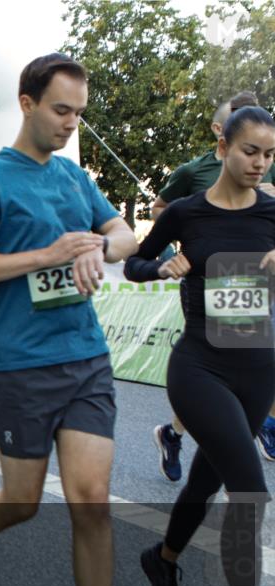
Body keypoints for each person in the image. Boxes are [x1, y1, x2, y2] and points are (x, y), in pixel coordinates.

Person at [0, 53, 138, 586]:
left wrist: (99, 245)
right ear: (26, 104)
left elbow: (129, 238)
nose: (70, 124)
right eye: (60, 110)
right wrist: (46, 255)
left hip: (84, 355)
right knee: (22, 501)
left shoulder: (75, 178)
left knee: (91, 499)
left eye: (78, 114)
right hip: (18, 362)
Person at [125, 105, 275, 586]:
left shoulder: (274, 213)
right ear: (224, 150)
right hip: (201, 367)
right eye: (249, 151)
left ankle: (162, 560)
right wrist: (161, 268)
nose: (259, 163)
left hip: (258, 367)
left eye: (268, 154)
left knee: (205, 483)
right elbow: (136, 264)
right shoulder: (187, 214)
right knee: (250, 488)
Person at [148, 91, 275, 479]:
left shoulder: (265, 165)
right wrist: (176, 256)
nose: (259, 160)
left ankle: (252, 427)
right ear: (222, 131)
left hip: (262, 279)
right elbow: (159, 210)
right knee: (221, 365)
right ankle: (182, 433)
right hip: (213, 285)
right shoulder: (195, 170)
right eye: (237, 119)